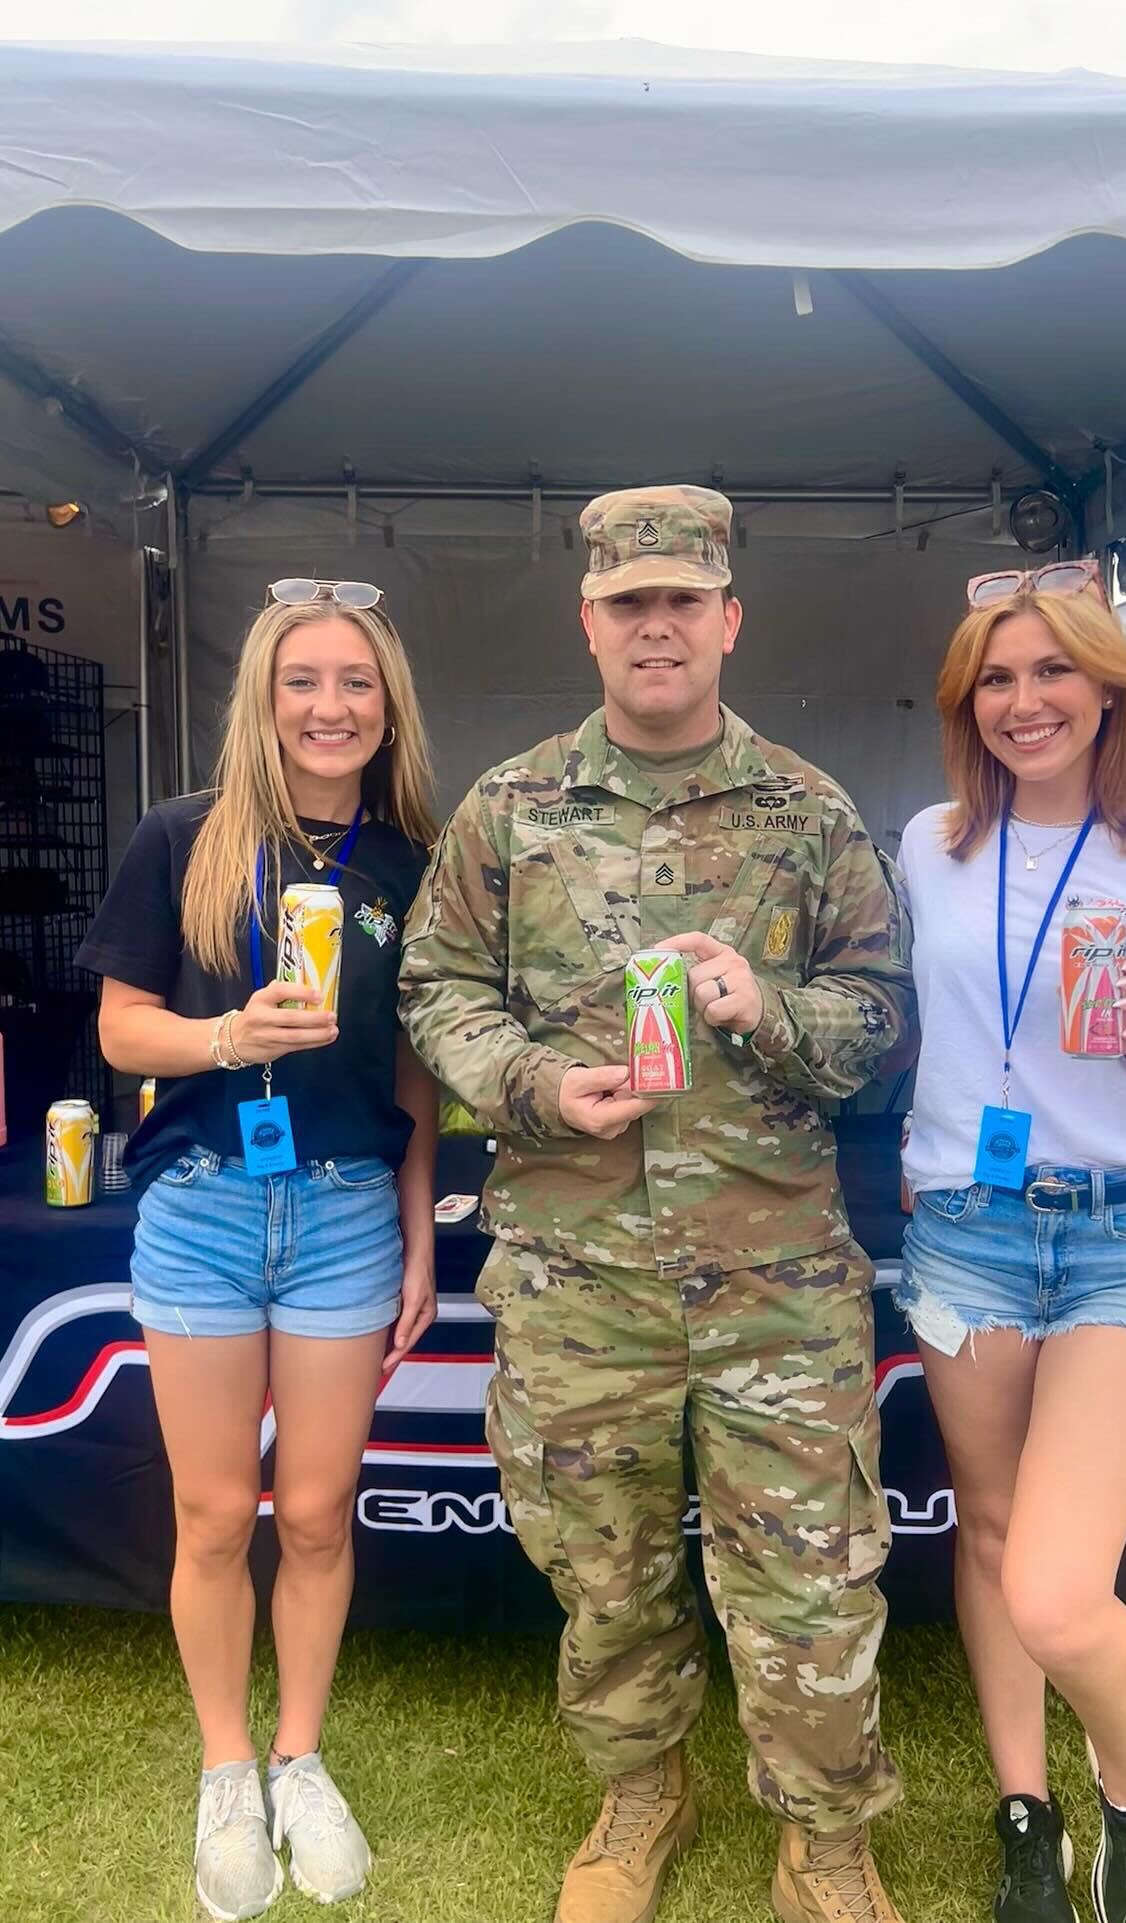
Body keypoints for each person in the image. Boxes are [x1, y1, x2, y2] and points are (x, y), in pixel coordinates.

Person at [399, 486, 915, 1923]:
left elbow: (882, 1021)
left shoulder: (810, 812)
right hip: (578, 1274)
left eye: (685, 598)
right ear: (590, 622)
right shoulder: (507, 810)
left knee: (810, 1575)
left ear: (731, 618)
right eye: (632, 602)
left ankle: (823, 1836)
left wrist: (770, 1008)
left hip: (774, 1276)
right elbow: (434, 988)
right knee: (603, 1564)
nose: (659, 624)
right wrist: (534, 1084)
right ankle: (641, 1787)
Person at [898, 573, 1126, 1923]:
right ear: (966, 702)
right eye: (995, 679)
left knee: (1058, 1585)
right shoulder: (928, 842)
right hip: (967, 1226)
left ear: (1112, 688)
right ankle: (1023, 1808)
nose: (1024, 700)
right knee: (990, 1529)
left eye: (1054, 672)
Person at [78, 580, 439, 1922]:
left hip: (347, 1205)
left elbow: (414, 1064)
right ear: (264, 697)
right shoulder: (183, 837)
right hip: (208, 1202)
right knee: (217, 1512)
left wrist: (418, 1240)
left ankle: (302, 1754)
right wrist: (230, 1037)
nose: (330, 705)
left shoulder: (410, 856)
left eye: (356, 681)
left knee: (323, 1508)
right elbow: (121, 1031)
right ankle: (227, 1764)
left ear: (386, 700)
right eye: (304, 680)